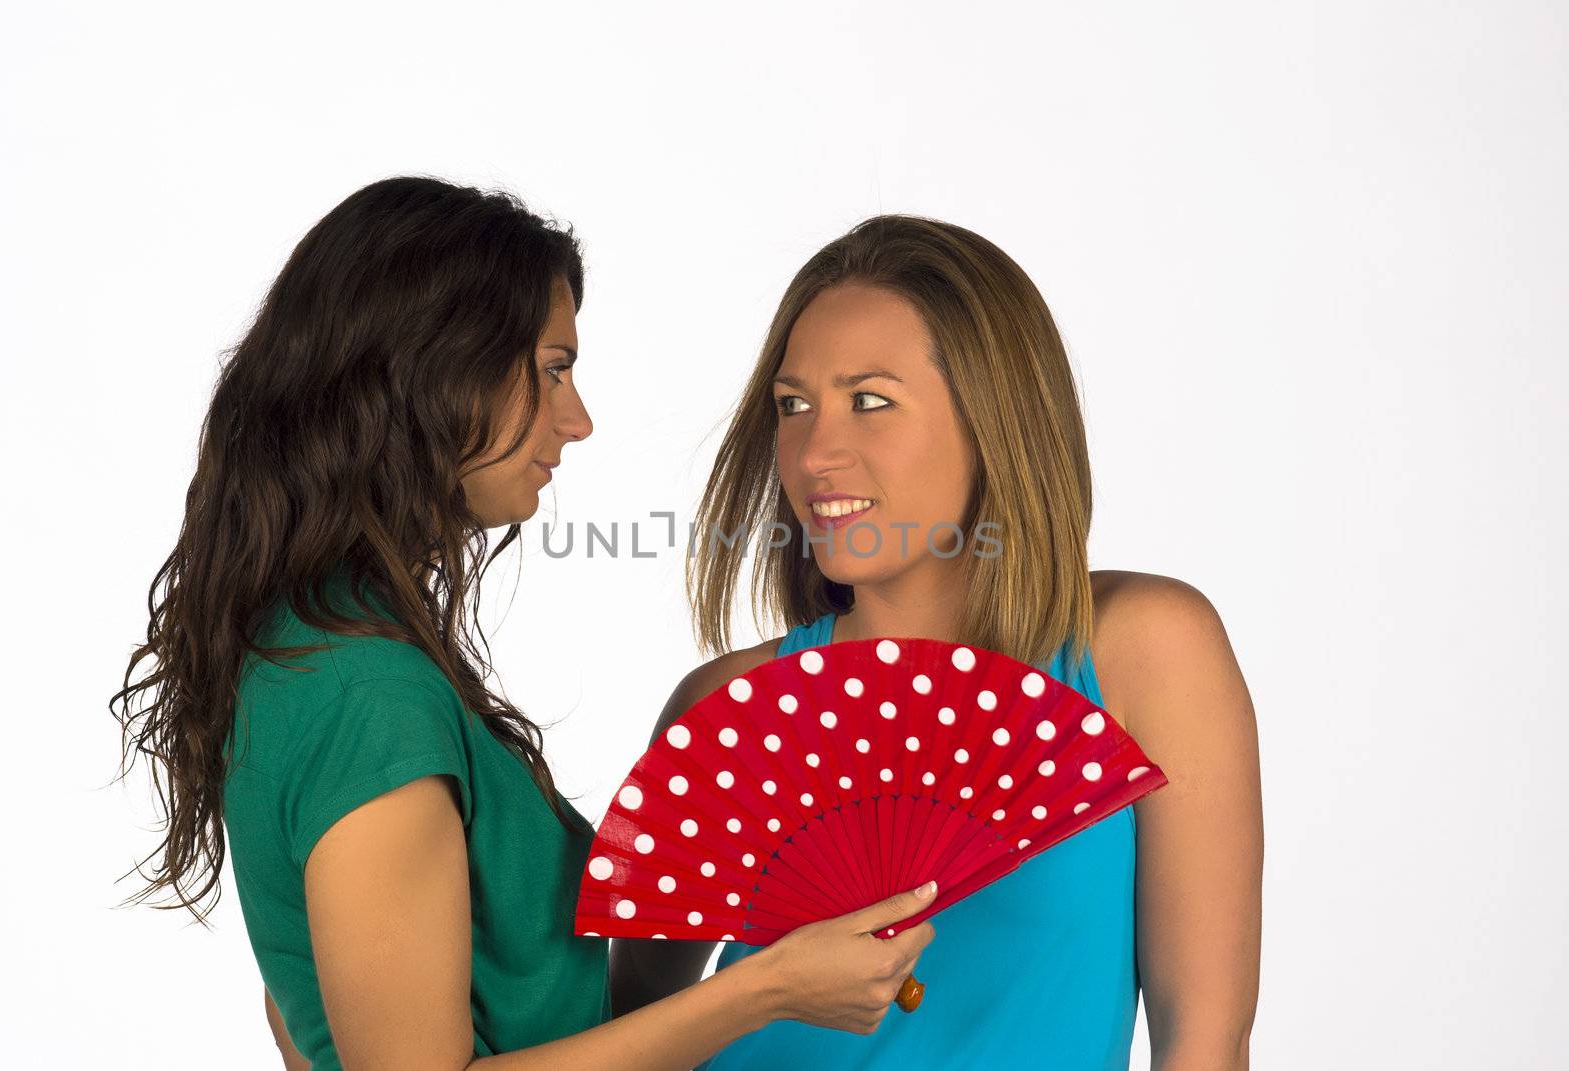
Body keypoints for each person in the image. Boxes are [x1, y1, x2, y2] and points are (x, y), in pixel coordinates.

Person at [111, 177, 937, 1071]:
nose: (577, 420)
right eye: (552, 368)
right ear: (433, 368)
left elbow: (300, 1007)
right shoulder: (365, 691)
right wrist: (765, 988)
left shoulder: (317, 651)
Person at [611, 215, 1263, 1069]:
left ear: (996, 417)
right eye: (793, 405)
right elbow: (627, 1041)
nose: (815, 452)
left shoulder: (1144, 652)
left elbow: (1206, 1042)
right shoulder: (725, 706)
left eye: (870, 401)